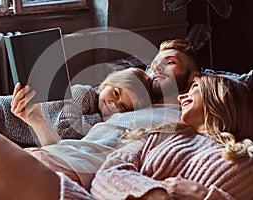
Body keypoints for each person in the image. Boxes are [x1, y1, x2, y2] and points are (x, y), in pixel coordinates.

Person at [0, 39, 203, 199]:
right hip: (48, 156)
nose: (156, 68)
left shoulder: (185, 114)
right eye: (154, 63)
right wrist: (37, 120)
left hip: (66, 177)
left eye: (169, 63)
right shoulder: (131, 110)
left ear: (193, 78)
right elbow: (71, 147)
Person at [89, 75, 253, 200]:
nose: (181, 98)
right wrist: (156, 194)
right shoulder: (160, 132)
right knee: (62, 182)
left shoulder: (246, 158)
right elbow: (107, 173)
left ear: (221, 95)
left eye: (195, 87)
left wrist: (206, 196)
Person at [0, 67, 151, 146]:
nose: (113, 104)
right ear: (107, 84)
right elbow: (64, 130)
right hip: (3, 113)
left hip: (19, 137)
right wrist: (99, 120)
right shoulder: (84, 94)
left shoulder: (104, 122)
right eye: (115, 94)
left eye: (123, 106)